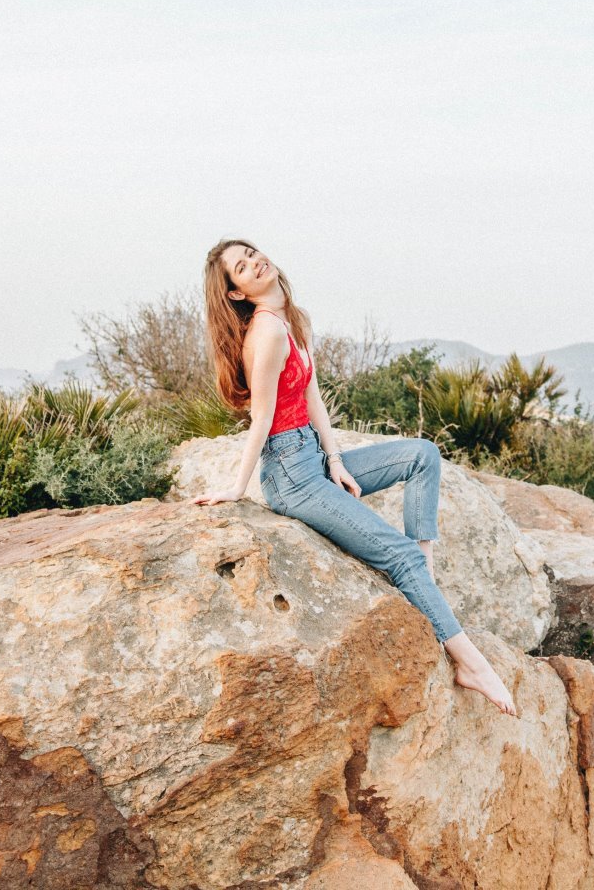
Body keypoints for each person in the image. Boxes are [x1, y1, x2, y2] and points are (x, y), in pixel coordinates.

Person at [190, 238, 518, 716]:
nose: (256, 263)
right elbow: (261, 419)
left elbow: (313, 396)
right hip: (291, 475)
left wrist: (336, 458)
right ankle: (472, 664)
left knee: (422, 455)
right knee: (397, 554)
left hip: (312, 456)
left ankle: (422, 578)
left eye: (253, 254)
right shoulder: (267, 333)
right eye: (242, 267)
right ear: (237, 292)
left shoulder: (291, 320)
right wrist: (237, 488)